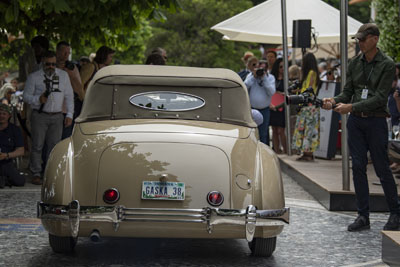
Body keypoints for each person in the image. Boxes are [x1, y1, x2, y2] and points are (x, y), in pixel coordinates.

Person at [322, 23, 400, 231]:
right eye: (357, 39)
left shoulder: (387, 64)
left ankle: (395, 213)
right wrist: (334, 100)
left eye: (363, 39)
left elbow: (380, 98)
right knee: (357, 167)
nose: (359, 43)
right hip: (356, 121)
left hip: (375, 121)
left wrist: (350, 106)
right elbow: (347, 91)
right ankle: (362, 216)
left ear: (375, 39)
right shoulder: (355, 63)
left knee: (382, 168)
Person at [23, 50, 74, 185]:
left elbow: (69, 96)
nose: (50, 67)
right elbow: (26, 96)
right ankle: (36, 173)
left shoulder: (63, 76)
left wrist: (69, 114)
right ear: (43, 64)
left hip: (57, 116)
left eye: (53, 64)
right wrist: (38, 99)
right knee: (37, 145)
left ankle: (50, 173)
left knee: (54, 147)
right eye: (47, 64)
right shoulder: (34, 77)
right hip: (39, 115)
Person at [292, 53, 320, 161]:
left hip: (309, 106)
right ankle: (306, 151)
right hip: (306, 106)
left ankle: (308, 152)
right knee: (305, 129)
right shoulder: (309, 73)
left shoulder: (311, 73)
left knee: (308, 129)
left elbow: (309, 88)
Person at [56, 41, 84, 139]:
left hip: (66, 110)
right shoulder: (50, 66)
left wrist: (71, 76)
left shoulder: (72, 68)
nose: (66, 55)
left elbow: (79, 89)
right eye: (64, 52)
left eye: (68, 53)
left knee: (65, 140)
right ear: (57, 51)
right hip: (50, 110)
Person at [244, 58, 276, 145]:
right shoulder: (250, 76)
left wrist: (264, 79)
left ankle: (263, 154)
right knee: (251, 133)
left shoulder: (270, 78)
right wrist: (253, 77)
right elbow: (244, 87)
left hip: (265, 110)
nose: (260, 71)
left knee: (263, 134)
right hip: (252, 110)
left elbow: (272, 92)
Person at [0, 103, 25, 188]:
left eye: (4, 114)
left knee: (20, 181)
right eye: (0, 113)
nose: (1, 116)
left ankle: (4, 179)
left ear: (9, 116)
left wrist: (6, 155)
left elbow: (21, 150)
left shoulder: (15, 129)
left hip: (7, 160)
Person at [270, 58, 287, 154]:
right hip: (273, 105)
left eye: (284, 66)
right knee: (274, 129)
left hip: (282, 106)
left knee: (281, 130)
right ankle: (276, 151)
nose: (282, 69)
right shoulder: (272, 78)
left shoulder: (287, 79)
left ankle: (285, 150)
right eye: (280, 66)